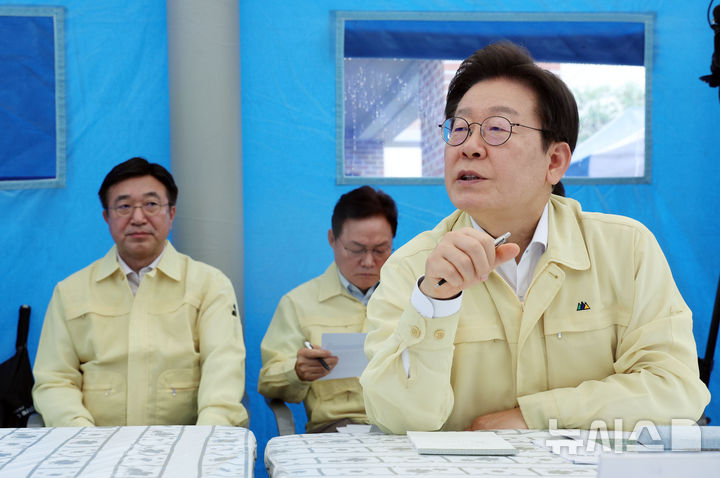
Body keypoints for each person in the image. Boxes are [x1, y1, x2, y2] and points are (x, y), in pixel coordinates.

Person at [360, 42, 710, 434]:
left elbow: (675, 388)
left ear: (555, 161)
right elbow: (397, 420)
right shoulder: (413, 269)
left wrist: (534, 416)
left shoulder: (626, 250)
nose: (469, 147)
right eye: (458, 128)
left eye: (497, 129)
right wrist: (434, 304)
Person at [32, 157, 248, 427]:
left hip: (186, 443)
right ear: (107, 217)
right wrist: (83, 437)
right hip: (93, 443)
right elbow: (54, 380)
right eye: (124, 206)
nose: (138, 218)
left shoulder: (210, 285)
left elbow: (222, 370)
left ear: (171, 214)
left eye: (151, 205)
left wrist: (202, 440)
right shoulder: (70, 292)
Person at [259, 186, 397, 433]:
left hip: (404, 428)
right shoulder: (299, 303)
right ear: (332, 239)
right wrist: (297, 371)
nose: (368, 261)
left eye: (380, 250)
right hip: (337, 429)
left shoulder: (414, 299)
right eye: (356, 249)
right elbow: (268, 381)